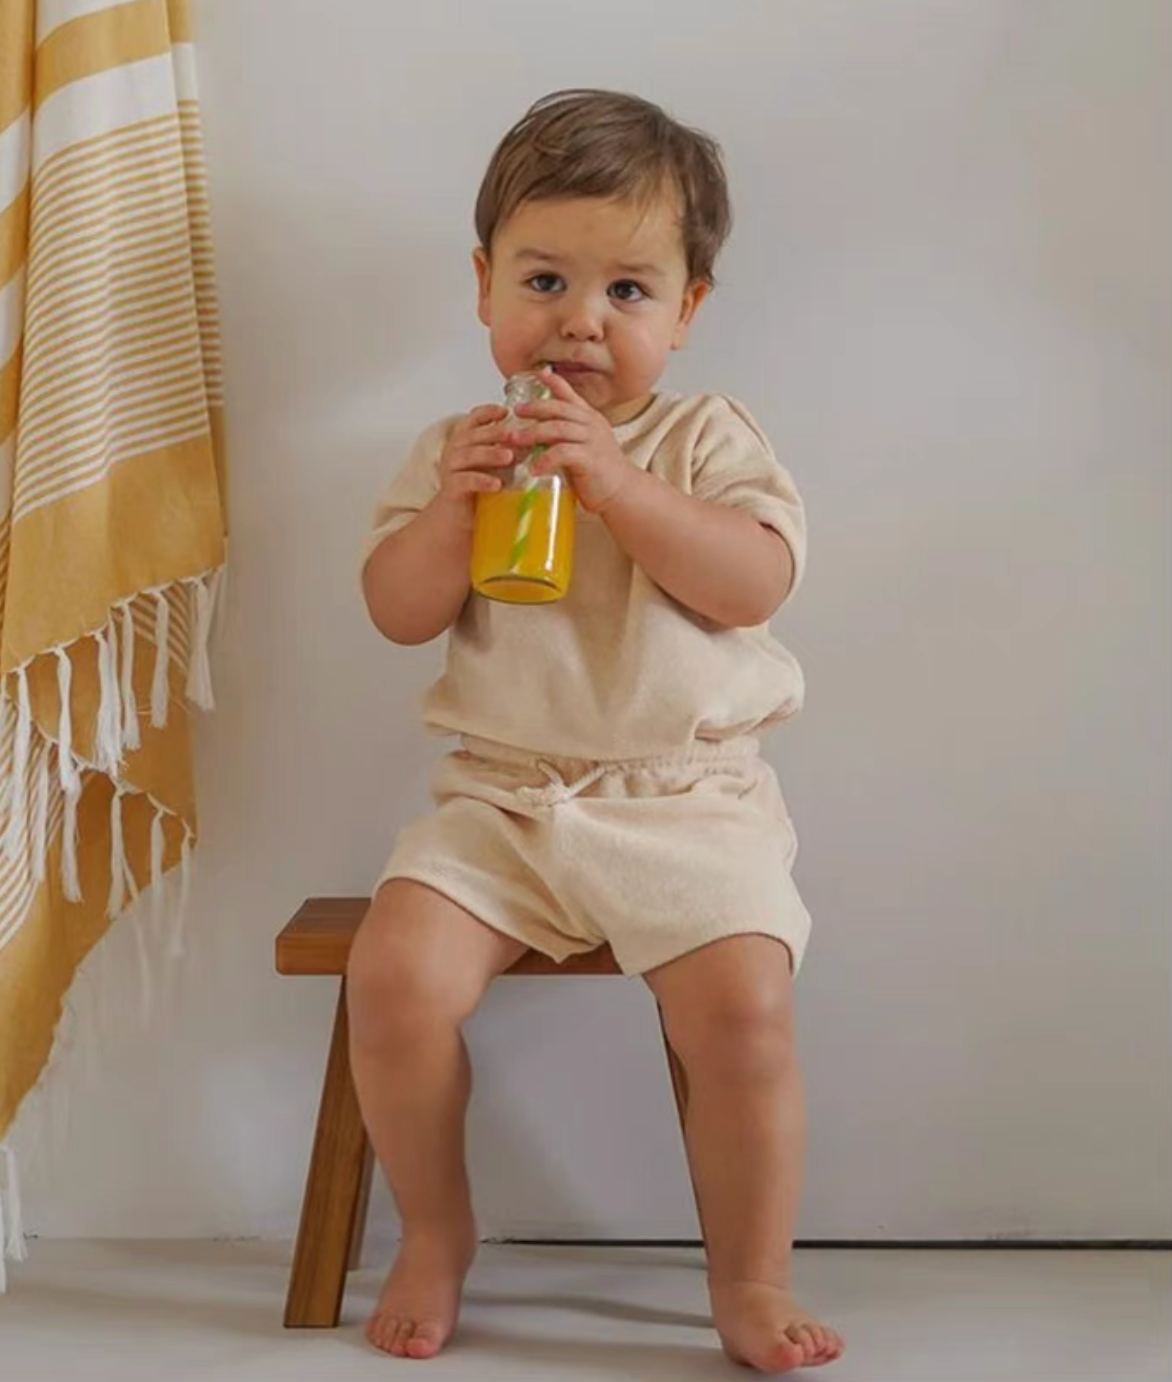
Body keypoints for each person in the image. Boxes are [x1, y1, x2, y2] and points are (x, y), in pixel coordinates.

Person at [351, 88, 843, 1372]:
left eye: (627, 291)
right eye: (546, 279)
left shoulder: (698, 435)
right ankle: (434, 1231)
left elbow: (751, 581)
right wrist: (452, 517)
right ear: (483, 289)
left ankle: (744, 1274)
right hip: (500, 799)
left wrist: (616, 483)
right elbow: (396, 612)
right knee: (394, 980)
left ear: (686, 313)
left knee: (744, 1010)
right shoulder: (463, 447)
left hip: (684, 796)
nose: (579, 318)